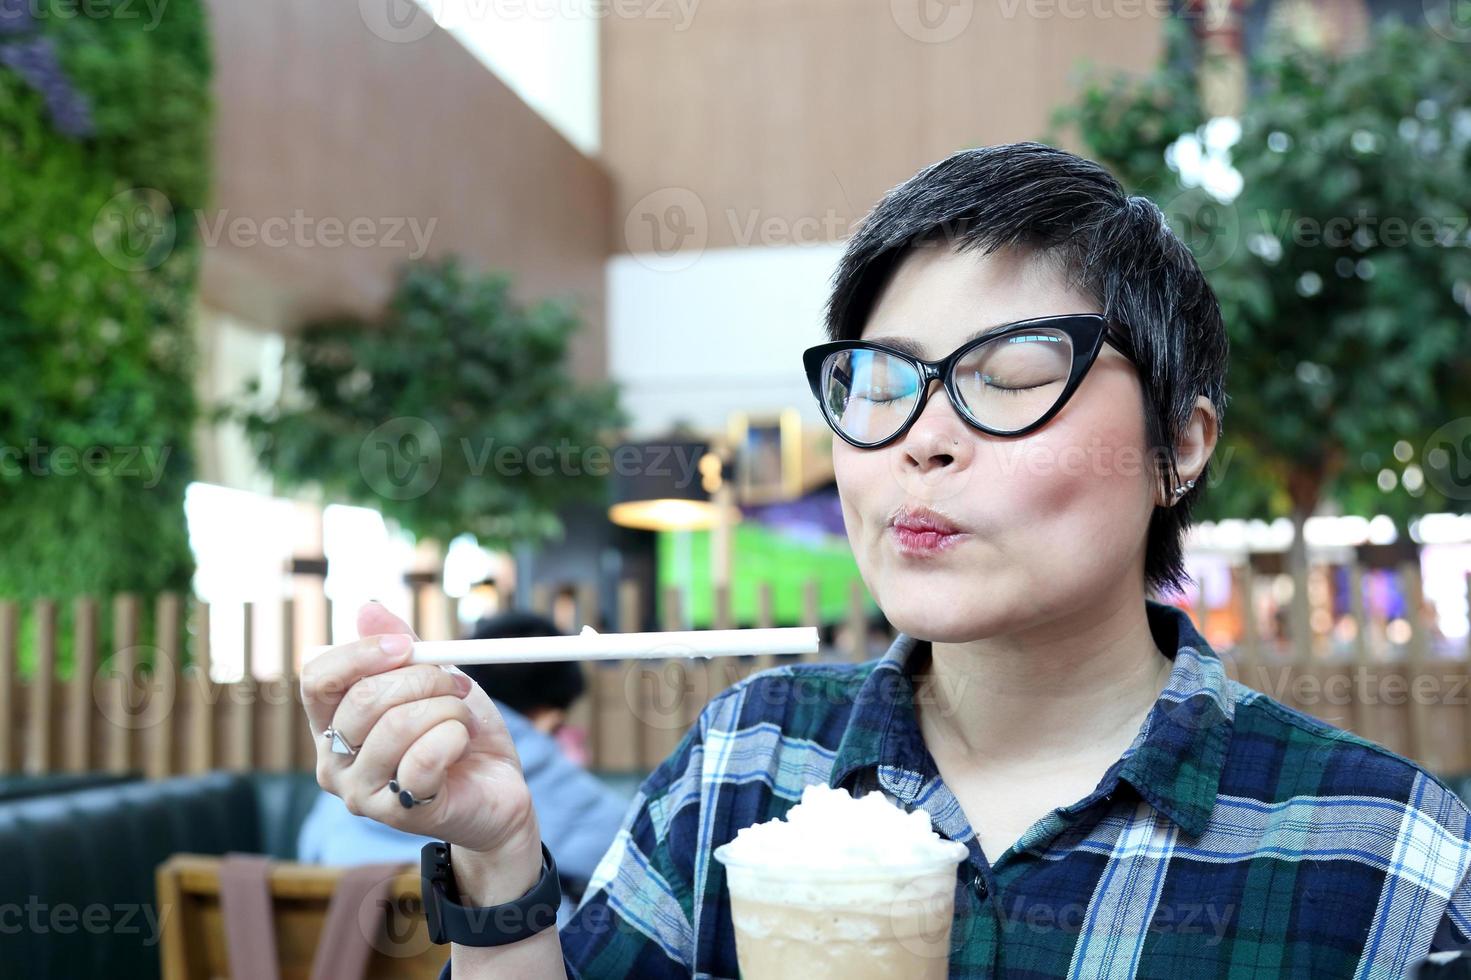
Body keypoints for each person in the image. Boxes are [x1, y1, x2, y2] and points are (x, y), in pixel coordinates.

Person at [300, 142, 1471, 978]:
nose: (920, 436)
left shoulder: (1387, 859)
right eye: (881, 382)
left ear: (1177, 445)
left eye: (1012, 378)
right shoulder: (747, 764)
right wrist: (500, 848)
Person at [296, 610, 628, 926]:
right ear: (550, 716)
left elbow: (309, 853)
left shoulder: (362, 759)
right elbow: (628, 853)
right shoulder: (538, 766)